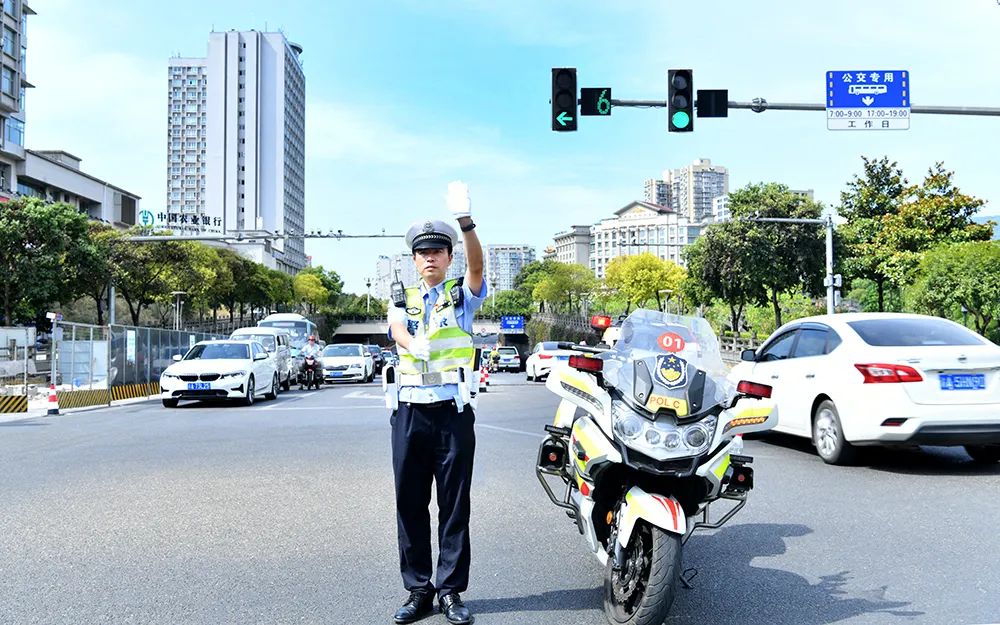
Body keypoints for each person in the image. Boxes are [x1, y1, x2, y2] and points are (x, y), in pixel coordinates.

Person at [386, 181, 486, 625]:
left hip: (452, 412)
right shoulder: (401, 299)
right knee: (409, 502)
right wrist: (414, 343)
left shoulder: (461, 296)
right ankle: (417, 590)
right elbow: (396, 331)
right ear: (414, 260)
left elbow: (479, 269)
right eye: (423, 252)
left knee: (453, 504)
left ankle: (450, 592)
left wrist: (465, 222)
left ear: (448, 258)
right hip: (409, 410)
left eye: (438, 251)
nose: (430, 257)